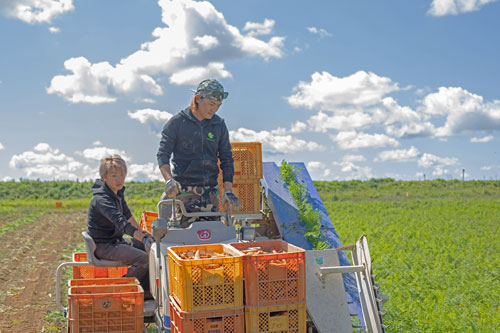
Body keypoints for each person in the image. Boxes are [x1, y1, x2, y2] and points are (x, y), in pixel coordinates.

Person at [156, 79, 241, 225]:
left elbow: (227, 159)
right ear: (198, 98)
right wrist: (169, 180)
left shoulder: (218, 125)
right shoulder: (177, 123)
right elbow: (163, 155)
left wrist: (228, 191)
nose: (214, 110)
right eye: (211, 104)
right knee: (183, 239)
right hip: (185, 193)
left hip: (210, 194)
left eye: (218, 106)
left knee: (212, 238)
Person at [87, 155, 154, 298]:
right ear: (104, 177)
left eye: (122, 175)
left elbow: (127, 215)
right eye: (114, 176)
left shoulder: (117, 192)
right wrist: (141, 237)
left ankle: (146, 291)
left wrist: (144, 235)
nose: (119, 179)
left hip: (116, 240)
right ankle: (119, 290)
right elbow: (121, 222)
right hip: (104, 245)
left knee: (152, 250)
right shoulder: (102, 199)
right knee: (144, 259)